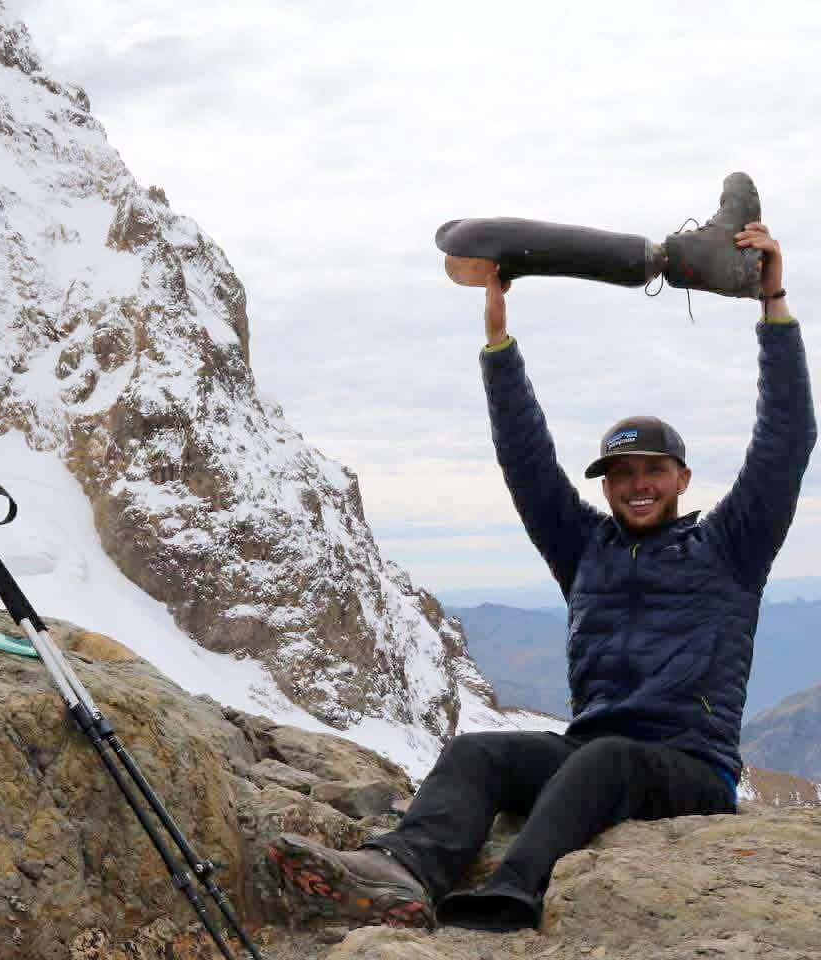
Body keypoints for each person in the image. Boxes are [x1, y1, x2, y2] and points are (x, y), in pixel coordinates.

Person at [267, 223, 815, 933]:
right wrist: (498, 338)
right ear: (607, 484)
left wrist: (772, 300)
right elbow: (525, 458)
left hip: (689, 771)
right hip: (590, 755)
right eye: (622, 473)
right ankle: (403, 871)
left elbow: (786, 440)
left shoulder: (731, 547)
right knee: (478, 752)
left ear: (682, 478)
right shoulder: (583, 546)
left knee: (609, 759)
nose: (638, 484)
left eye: (653, 470)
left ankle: (514, 892)